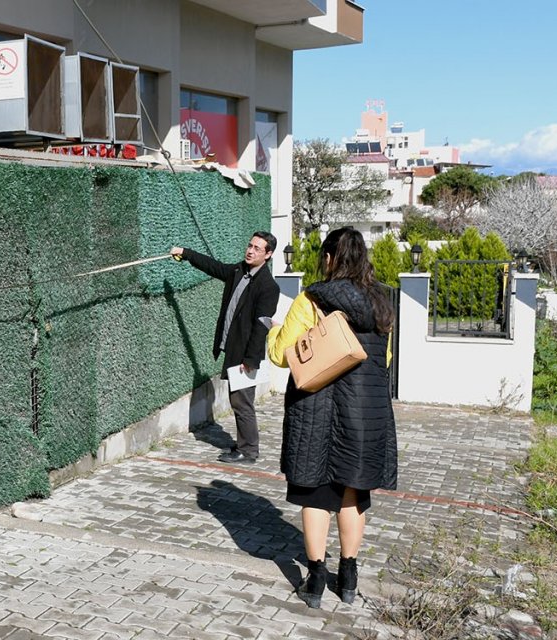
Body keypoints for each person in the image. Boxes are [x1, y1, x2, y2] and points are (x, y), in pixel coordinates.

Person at [265, 227, 397, 609]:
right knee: (354, 493)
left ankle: (317, 579)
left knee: (317, 494)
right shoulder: (382, 303)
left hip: (317, 411)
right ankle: (350, 577)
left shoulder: (312, 300)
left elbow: (283, 355)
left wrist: (274, 333)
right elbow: (381, 361)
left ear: (328, 259)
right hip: (365, 412)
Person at [169, 232, 279, 464]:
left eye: (257, 248)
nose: (250, 250)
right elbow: (213, 267)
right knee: (237, 400)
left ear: (268, 254)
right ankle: (243, 445)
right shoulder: (239, 271)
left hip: (246, 355)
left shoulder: (268, 286)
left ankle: (249, 451)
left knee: (242, 402)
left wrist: (249, 359)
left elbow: (262, 326)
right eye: (250, 245)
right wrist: (186, 253)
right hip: (234, 349)